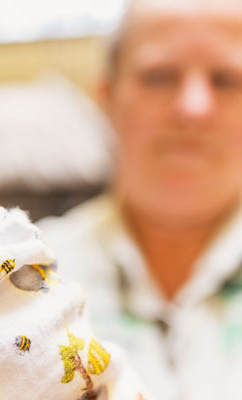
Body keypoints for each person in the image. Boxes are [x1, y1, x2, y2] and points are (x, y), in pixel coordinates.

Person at [38, 1, 242, 399]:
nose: (193, 108)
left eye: (227, 79)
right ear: (108, 97)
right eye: (160, 77)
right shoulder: (26, 273)